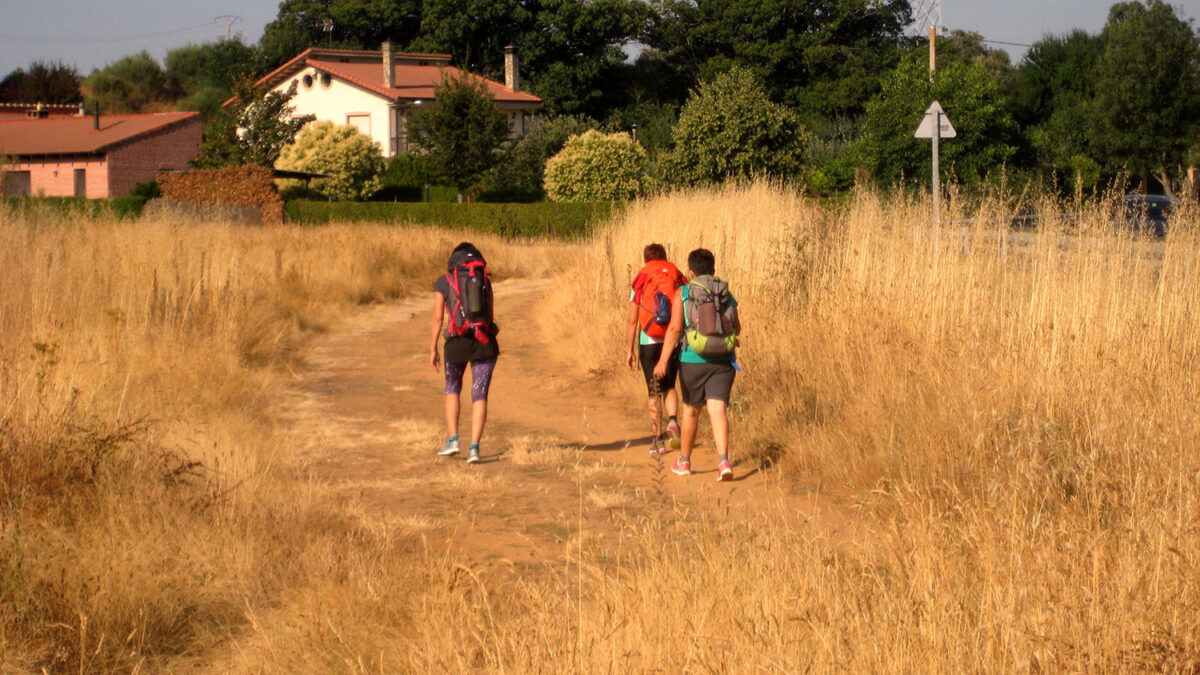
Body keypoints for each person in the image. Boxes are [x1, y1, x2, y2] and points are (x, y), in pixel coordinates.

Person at [654, 248, 740, 481]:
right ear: (713, 269)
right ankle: (724, 462)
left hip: (692, 360)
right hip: (723, 360)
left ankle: (684, 461)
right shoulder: (725, 293)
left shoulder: (683, 293)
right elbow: (737, 328)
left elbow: (673, 329)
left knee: (691, 411)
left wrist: (662, 361)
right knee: (718, 410)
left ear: (690, 272)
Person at [430, 242, 498, 464]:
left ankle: (453, 440)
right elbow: (491, 314)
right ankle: (474, 449)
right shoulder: (484, 280)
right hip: (484, 342)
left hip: (456, 342)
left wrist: (433, 348)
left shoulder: (443, 281)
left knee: (452, 387)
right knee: (479, 393)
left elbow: (439, 318)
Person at [626, 243, 686, 455]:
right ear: (665, 256)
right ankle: (672, 421)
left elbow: (633, 320)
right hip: (673, 337)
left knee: (654, 389)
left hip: (649, 338)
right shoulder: (676, 273)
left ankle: (657, 440)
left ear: (645, 259)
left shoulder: (642, 277)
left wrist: (630, 350)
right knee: (669, 384)